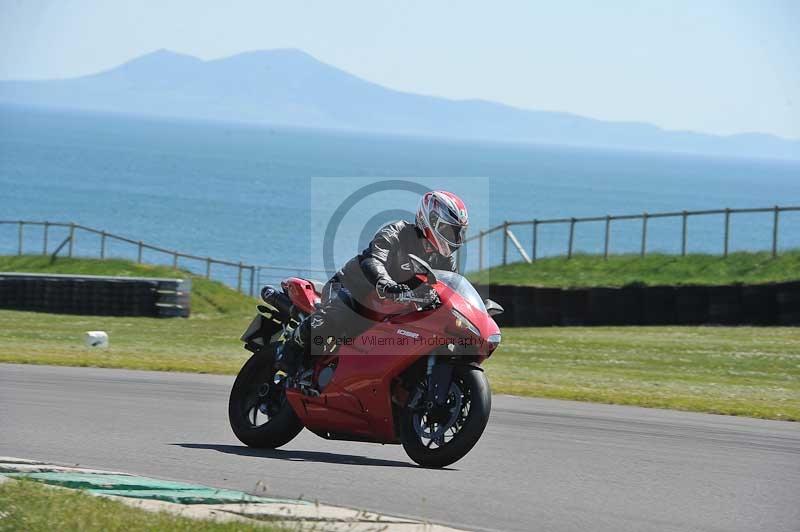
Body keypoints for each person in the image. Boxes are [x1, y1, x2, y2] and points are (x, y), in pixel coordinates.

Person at [275, 190, 469, 375]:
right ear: (431, 221)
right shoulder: (398, 232)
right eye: (450, 231)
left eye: (458, 233)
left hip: (393, 306)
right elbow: (373, 259)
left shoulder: (444, 261)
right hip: (352, 287)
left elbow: (450, 287)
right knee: (341, 314)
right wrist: (385, 283)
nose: (455, 239)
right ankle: (292, 346)